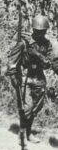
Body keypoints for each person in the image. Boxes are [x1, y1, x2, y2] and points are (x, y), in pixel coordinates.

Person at [7, 15, 55, 143]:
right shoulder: (24, 43)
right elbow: (12, 60)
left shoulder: (47, 44)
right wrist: (12, 75)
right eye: (37, 31)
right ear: (33, 30)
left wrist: (45, 60)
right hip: (25, 77)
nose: (40, 34)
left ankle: (28, 132)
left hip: (39, 78)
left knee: (35, 108)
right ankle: (22, 133)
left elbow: (51, 61)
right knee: (27, 108)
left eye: (43, 32)